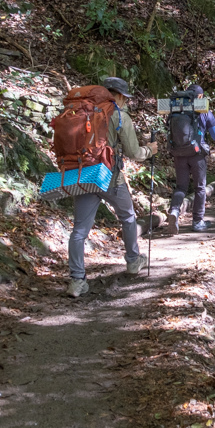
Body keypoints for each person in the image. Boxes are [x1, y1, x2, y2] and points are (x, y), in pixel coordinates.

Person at [67, 77, 159, 298]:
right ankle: (133, 260)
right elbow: (134, 152)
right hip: (109, 177)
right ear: (118, 95)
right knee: (128, 216)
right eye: (124, 98)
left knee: (79, 230)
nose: (125, 101)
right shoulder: (118, 116)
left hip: (83, 173)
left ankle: (76, 281)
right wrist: (150, 150)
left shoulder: (80, 111)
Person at [168, 83, 215, 234]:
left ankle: (174, 211)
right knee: (200, 187)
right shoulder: (204, 110)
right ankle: (197, 221)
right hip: (197, 154)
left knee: (181, 187)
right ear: (200, 96)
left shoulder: (176, 108)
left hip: (179, 153)